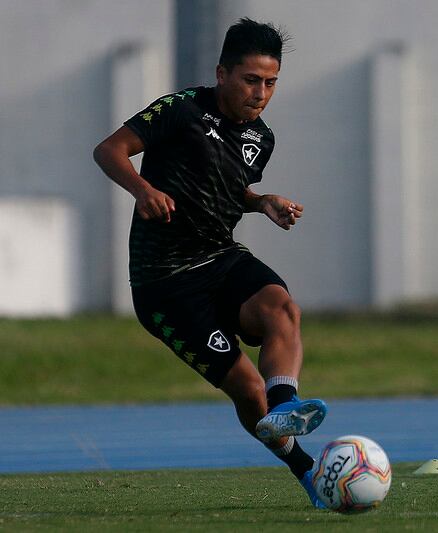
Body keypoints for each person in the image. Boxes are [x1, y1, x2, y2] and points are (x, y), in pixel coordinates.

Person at [93, 18, 326, 508]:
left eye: (271, 82)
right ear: (222, 73)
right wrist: (144, 190)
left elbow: (222, 184)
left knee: (281, 308)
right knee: (247, 392)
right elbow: (109, 149)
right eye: (250, 80)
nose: (261, 93)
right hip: (166, 287)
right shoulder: (180, 109)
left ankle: (287, 408)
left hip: (218, 257)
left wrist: (261, 201)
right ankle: (306, 470)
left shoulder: (261, 138)